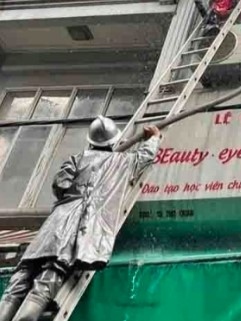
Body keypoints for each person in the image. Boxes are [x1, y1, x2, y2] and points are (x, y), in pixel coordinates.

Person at [0, 118, 161, 321]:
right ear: (113, 142)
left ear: (91, 141)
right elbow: (145, 156)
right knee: (48, 279)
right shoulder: (123, 162)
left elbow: (60, 185)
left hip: (54, 224)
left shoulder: (76, 159)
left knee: (20, 278)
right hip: (77, 227)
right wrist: (154, 137)